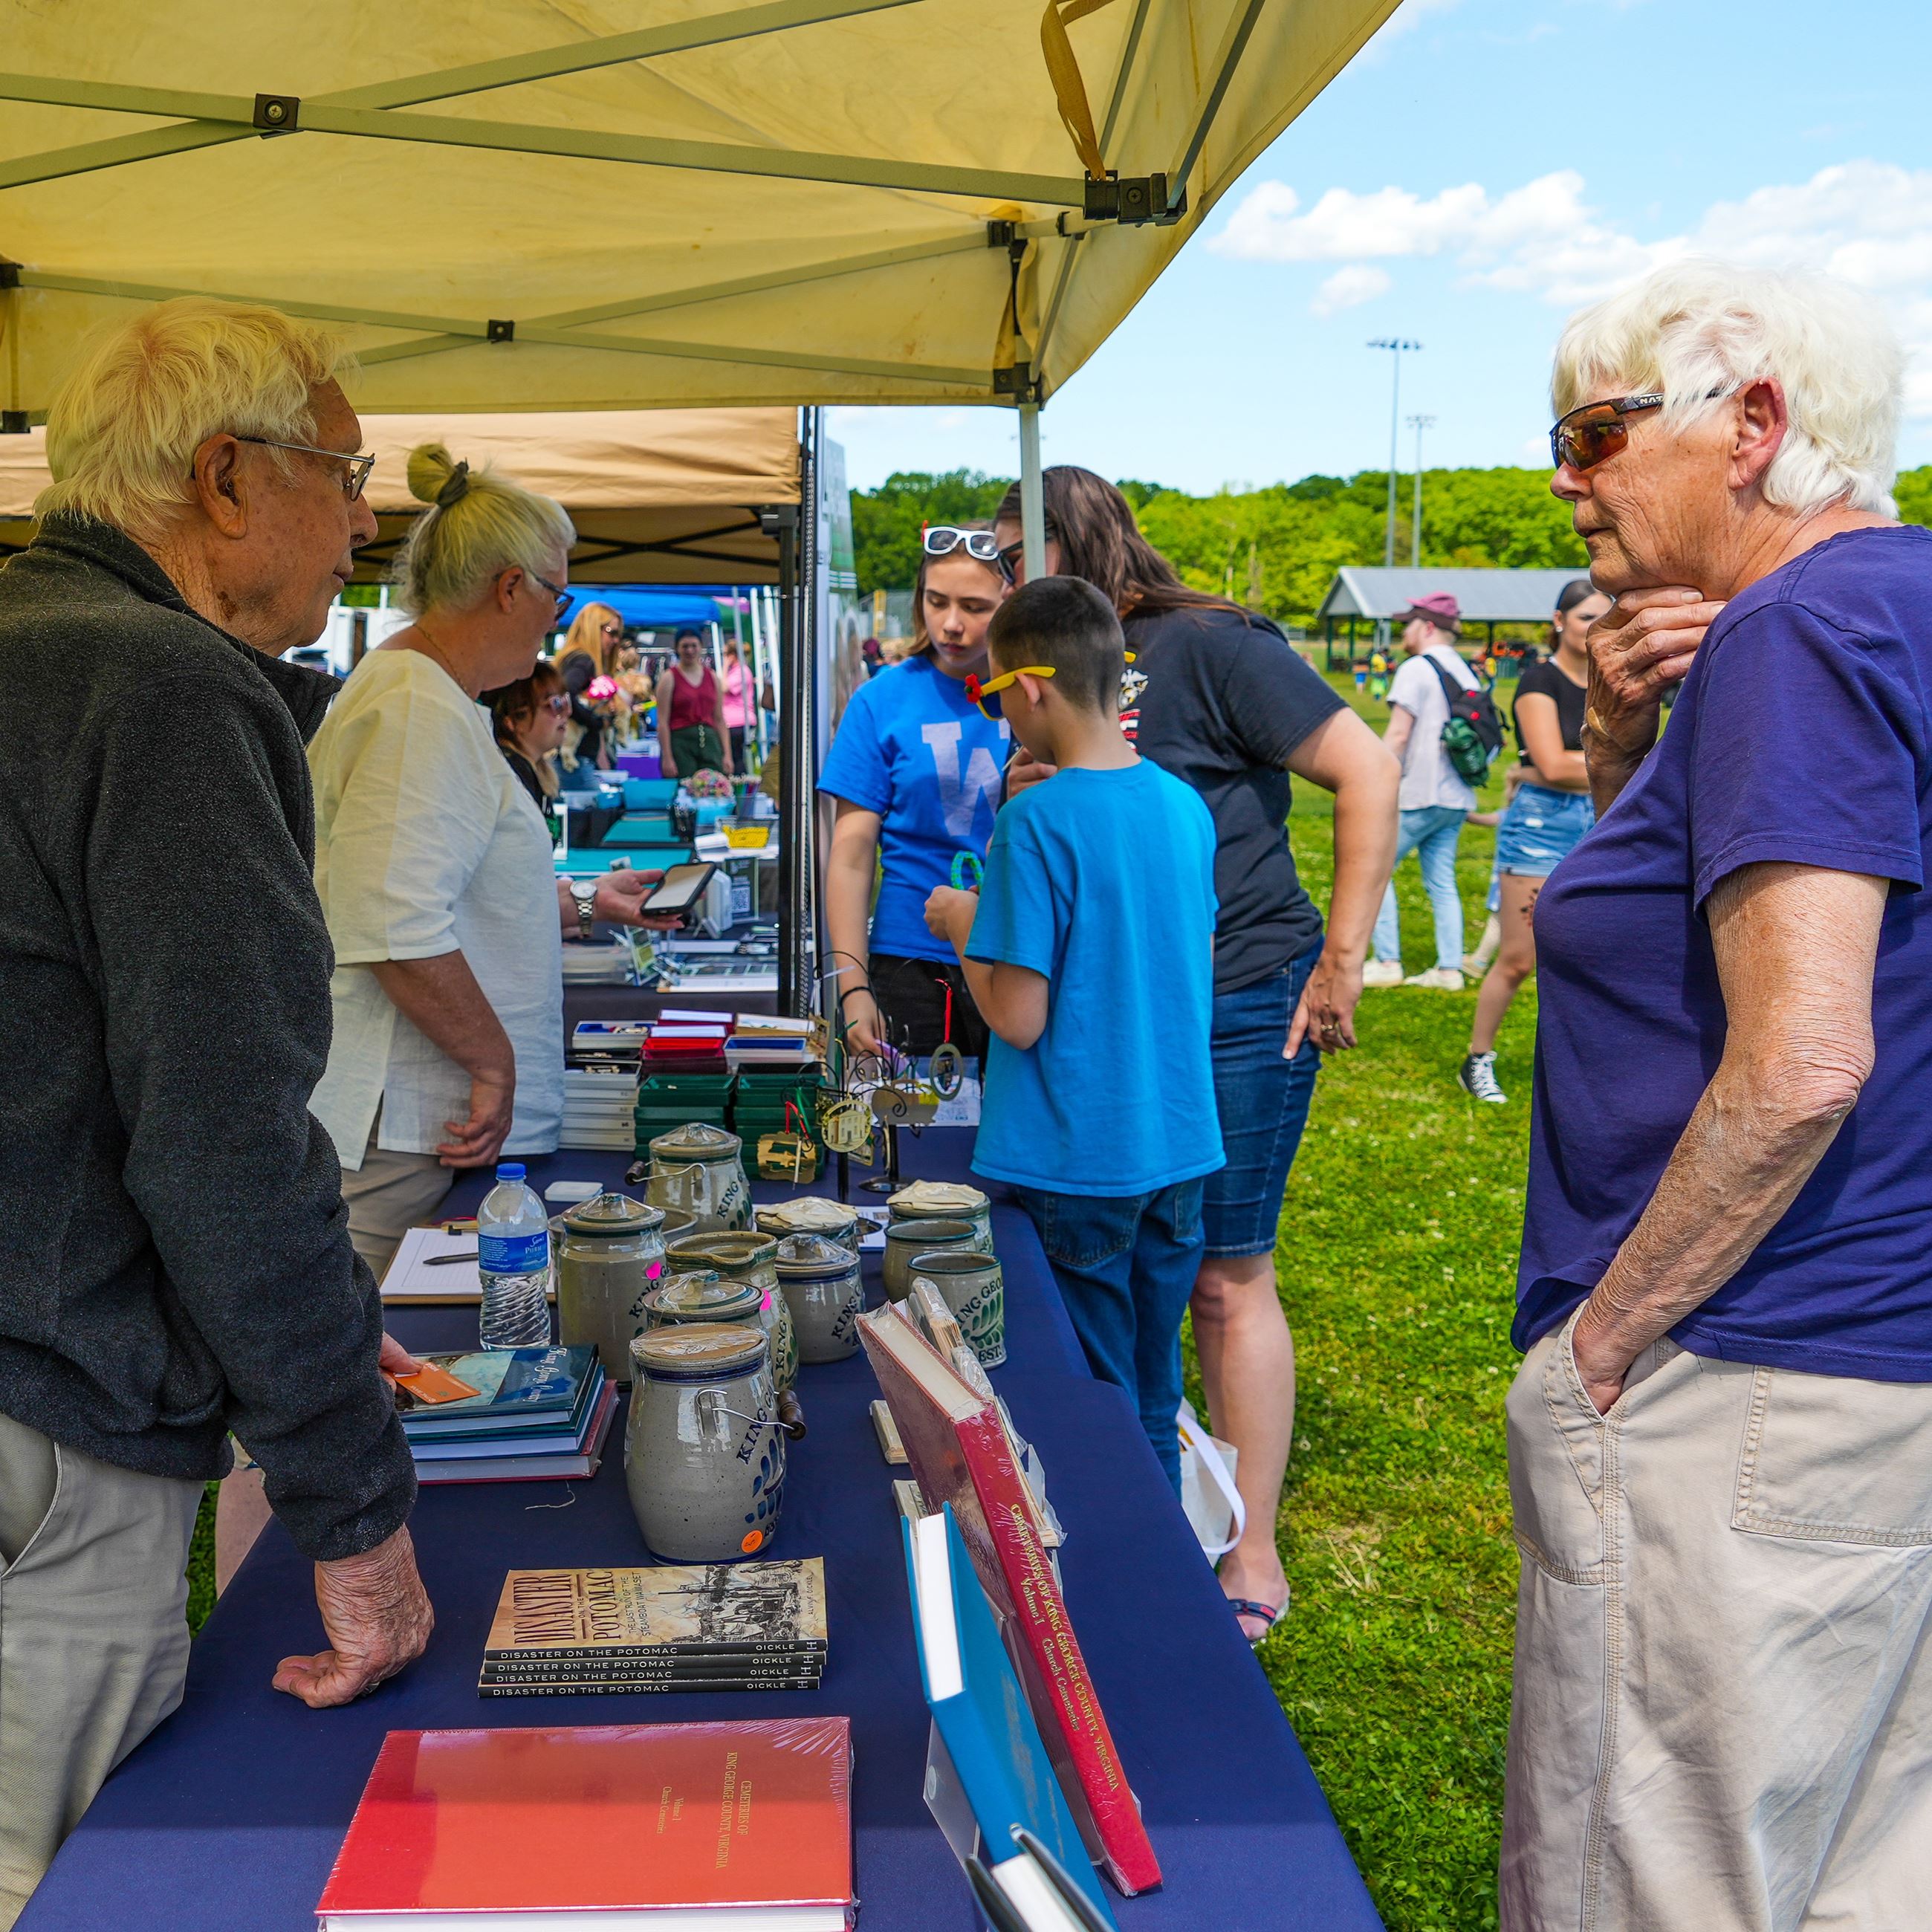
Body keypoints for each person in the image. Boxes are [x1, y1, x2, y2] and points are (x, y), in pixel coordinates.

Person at [1503, 260, 1932, 1929]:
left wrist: (1601, 1349)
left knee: (1656, 1879)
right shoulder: (1885, 606)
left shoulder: (1799, 629)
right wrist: (1625, 738)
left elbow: (1805, 1055)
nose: (1565, 472)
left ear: (1754, 424)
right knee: (1864, 1872)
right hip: (1884, 1369)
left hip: (1748, 1372)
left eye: (1597, 427)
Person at [0, 298, 434, 1925]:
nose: (368, 514)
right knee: (54, 1885)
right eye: (348, 468)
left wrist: (302, 1329)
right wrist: (353, 1507)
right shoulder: (168, 689)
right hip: (52, 1410)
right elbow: (219, 1137)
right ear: (229, 477)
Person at [992, 468, 1397, 1641]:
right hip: (1121, 1016)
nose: (997, 582)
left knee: (1227, 1271)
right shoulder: (1061, 686)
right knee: (1150, 1284)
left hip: (1238, 996)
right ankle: (1149, 1508)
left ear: (1068, 541)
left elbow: (1365, 769)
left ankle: (1246, 1543)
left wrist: (1344, 956)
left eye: (1018, 551)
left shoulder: (1212, 647)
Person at [307, 444, 675, 1276]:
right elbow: (395, 922)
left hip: (419, 1122)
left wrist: (585, 903)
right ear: (510, 587)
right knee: (393, 1352)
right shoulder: (415, 707)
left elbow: (446, 897)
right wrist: (491, 1059)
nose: (557, 617)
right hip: (408, 1122)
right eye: (557, 594)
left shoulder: (427, 698)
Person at [923, 577, 1222, 1491]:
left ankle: (1115, 1591)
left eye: (992, 692)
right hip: (1176, 1148)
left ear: (1029, 688)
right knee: (1146, 1389)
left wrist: (963, 922)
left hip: (1073, 1159)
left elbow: (1016, 1014)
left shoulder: (1031, 821)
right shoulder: (1182, 804)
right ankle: (1171, 1571)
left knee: (1088, 1403)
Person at [820, 527, 1008, 1063]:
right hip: (910, 962)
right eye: (936, 601)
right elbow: (852, 856)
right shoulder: (881, 700)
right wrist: (852, 989)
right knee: (917, 1142)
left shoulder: (1039, 695)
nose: (951, 623)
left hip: (1018, 957)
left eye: (975, 606)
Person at [1457, 579, 1607, 1103]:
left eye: (1605, 617)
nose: (1596, 628)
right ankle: (1477, 1060)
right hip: (1542, 829)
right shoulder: (1538, 681)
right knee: (1520, 958)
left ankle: (1579, 1069)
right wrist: (1552, 771)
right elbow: (1551, 763)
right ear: (1559, 620)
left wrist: (1562, 770)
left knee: (1590, 955)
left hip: (1603, 820)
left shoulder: (1611, 679)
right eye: (1586, 617)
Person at [1361, 593, 1479, 991]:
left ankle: (1387, 960)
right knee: (1442, 881)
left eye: (1408, 624)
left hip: (1418, 793)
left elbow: (1397, 735)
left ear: (1427, 627)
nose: (1402, 632)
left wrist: (1368, 780)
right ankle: (1449, 970)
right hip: (1456, 795)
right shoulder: (1466, 672)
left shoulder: (1415, 668)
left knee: (1374, 871)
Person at [487, 658, 569, 832]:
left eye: (565, 701)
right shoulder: (510, 776)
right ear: (514, 722)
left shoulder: (533, 771)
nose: (567, 712)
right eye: (555, 704)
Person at [657, 626, 733, 780]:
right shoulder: (669, 678)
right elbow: (662, 722)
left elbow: (719, 719)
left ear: (700, 648)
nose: (690, 650)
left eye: (694, 646)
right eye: (685, 646)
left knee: (714, 790)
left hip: (710, 744)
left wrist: (727, 755)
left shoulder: (712, 678)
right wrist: (667, 757)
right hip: (680, 744)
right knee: (685, 791)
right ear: (677, 648)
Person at [721, 635, 753, 772]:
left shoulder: (742, 672)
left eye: (725, 654)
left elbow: (723, 687)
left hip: (738, 721)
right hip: (733, 721)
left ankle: (740, 785)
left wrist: (724, 666)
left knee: (735, 757)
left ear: (732, 655)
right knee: (734, 756)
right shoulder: (736, 672)